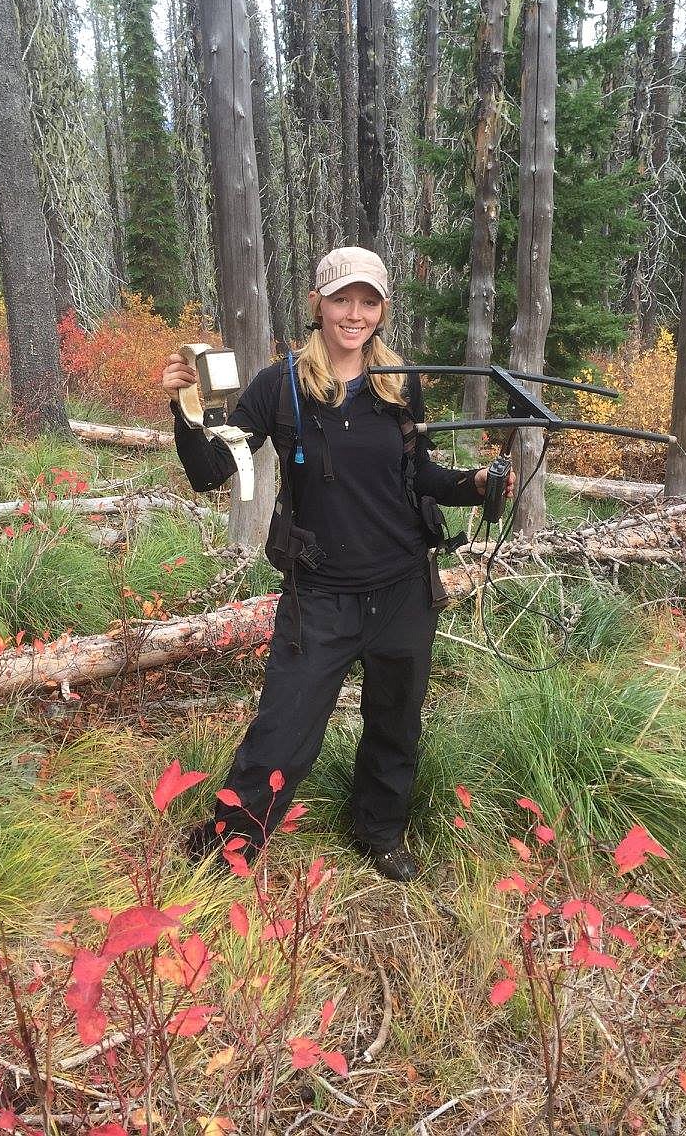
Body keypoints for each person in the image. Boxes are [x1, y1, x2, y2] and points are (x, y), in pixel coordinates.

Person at [161, 246, 505, 882]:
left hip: (403, 587)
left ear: (382, 310)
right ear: (317, 303)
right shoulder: (281, 385)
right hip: (320, 594)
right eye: (343, 299)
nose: (355, 313)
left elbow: (418, 475)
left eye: (368, 301)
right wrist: (186, 413)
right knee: (285, 732)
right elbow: (213, 471)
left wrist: (476, 483)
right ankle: (230, 843)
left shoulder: (400, 382)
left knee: (395, 722)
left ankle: (379, 830)